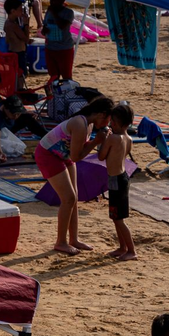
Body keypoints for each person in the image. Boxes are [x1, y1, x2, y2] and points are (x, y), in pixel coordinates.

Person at [36, 97, 114, 255]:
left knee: (74, 198)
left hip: (63, 156)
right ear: (102, 114)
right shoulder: (79, 123)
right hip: (48, 155)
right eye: (108, 119)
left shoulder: (89, 124)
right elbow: (77, 156)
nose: (107, 124)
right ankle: (61, 242)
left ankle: (73, 239)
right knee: (68, 198)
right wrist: (96, 142)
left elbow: (78, 151)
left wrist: (98, 141)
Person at [100, 104, 136, 261]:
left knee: (119, 219)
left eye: (113, 122)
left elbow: (101, 156)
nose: (111, 125)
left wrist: (104, 140)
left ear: (120, 123)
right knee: (116, 217)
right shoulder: (128, 139)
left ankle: (131, 250)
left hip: (116, 180)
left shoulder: (113, 138)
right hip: (122, 178)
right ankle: (122, 247)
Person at [0, 95, 47, 162]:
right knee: (16, 149)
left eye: (18, 114)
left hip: (5, 129)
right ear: (6, 109)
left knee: (28, 118)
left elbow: (19, 113)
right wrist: (1, 153)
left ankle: (47, 137)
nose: (16, 116)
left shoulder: (8, 110)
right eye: (14, 114)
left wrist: (26, 114)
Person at [43, 0, 77, 82]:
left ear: (62, 0)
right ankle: (56, 95)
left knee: (66, 76)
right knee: (54, 76)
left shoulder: (68, 12)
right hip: (50, 48)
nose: (52, 2)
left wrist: (54, 13)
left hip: (64, 49)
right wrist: (44, 30)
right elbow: (45, 26)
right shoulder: (49, 12)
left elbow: (62, 26)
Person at [2, 0, 37, 87]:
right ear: (13, 11)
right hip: (18, 53)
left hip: (14, 51)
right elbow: (25, 38)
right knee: (20, 74)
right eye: (20, 10)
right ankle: (19, 91)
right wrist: (26, 23)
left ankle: (18, 90)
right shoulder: (12, 25)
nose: (21, 12)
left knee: (17, 74)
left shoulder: (8, 23)